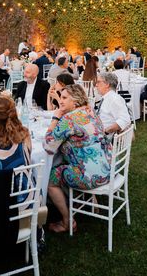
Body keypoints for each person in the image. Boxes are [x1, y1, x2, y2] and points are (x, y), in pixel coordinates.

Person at [44, 84, 111, 233]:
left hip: (89, 176)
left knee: (49, 179)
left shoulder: (68, 119)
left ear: (75, 101)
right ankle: (86, 201)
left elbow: (48, 146)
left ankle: (67, 221)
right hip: (107, 170)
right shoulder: (90, 111)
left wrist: (55, 118)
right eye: (60, 97)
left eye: (64, 98)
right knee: (65, 161)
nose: (60, 101)